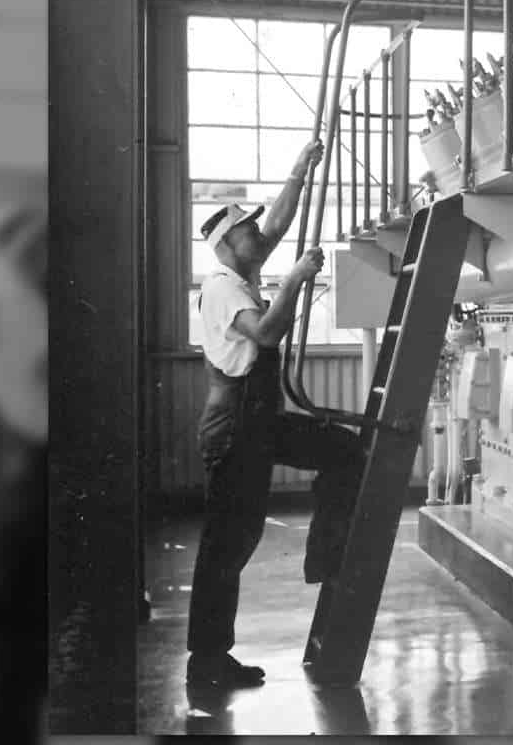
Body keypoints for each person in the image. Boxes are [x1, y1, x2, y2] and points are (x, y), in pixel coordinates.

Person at [187, 136, 366, 689]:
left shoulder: (238, 273)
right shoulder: (221, 288)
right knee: (230, 544)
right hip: (237, 427)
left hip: (256, 421)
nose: (258, 236)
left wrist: (297, 172)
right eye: (247, 232)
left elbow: (279, 226)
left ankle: (325, 556)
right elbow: (265, 333)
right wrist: (294, 280)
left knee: (343, 451)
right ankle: (208, 661)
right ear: (227, 243)